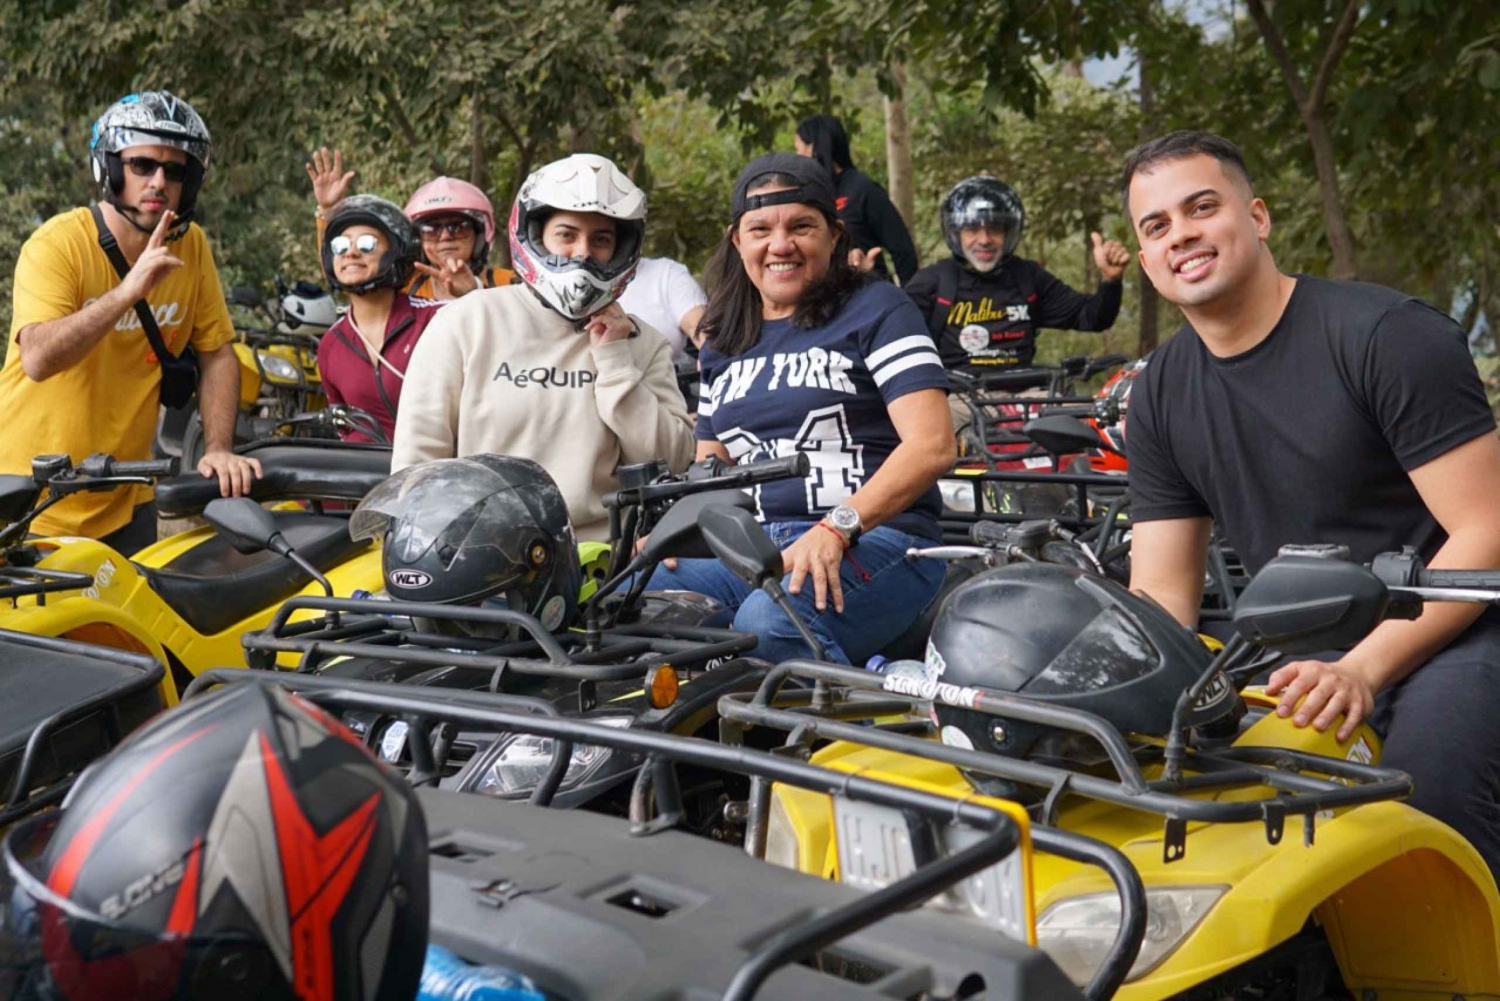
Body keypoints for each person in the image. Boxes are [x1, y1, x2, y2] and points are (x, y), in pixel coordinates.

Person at [1120, 130, 1500, 877]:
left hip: (1462, 628)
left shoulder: (1385, 336)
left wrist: (1361, 669)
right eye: (1156, 225)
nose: (1182, 235)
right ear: (1144, 261)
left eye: (1202, 207)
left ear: (1257, 217)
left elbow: (1487, 527)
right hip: (1304, 641)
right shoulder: (1160, 391)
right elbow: (1163, 592)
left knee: (1424, 805)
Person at [645, 152, 954, 665]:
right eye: (760, 228)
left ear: (834, 237)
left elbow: (934, 445)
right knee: (628, 598)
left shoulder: (879, 309)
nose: (780, 244)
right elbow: (711, 468)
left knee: (767, 625)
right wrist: (674, 530)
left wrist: (836, 527)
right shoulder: (723, 338)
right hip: (757, 547)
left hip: (880, 538)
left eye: (802, 227)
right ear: (737, 241)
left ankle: (886, 705)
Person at [0, 91, 259, 553]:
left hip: (126, 496)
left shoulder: (192, 247)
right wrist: (126, 293)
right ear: (112, 170)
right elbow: (37, 358)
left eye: (175, 170)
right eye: (142, 166)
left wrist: (219, 447)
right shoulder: (58, 244)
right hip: (28, 500)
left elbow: (218, 353)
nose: (159, 181)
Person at [392, 153, 694, 542]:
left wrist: (615, 361)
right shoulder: (467, 322)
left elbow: (671, 459)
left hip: (600, 566)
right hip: (475, 553)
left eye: (601, 240)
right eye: (566, 234)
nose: (582, 252)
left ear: (621, 249)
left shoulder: (642, 342)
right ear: (535, 236)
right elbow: (418, 462)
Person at [903, 176, 1130, 430]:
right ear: (955, 233)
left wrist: (1110, 281)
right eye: (972, 230)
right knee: (930, 432)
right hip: (960, 399)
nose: (985, 239)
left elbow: (1092, 317)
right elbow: (892, 340)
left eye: (995, 229)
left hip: (1030, 395)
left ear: (1009, 232)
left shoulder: (1028, 277)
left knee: (1088, 427)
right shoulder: (932, 282)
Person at [315, 195, 445, 443]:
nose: (351, 252)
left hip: (437, 472)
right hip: (366, 475)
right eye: (340, 245)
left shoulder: (435, 318)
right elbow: (345, 429)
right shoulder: (331, 346)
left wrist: (472, 294)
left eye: (367, 244)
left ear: (395, 253)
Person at [306, 148, 514, 300]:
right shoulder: (403, 287)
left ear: (479, 237)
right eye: (431, 229)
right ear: (418, 240)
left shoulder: (510, 284)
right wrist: (329, 210)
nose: (445, 237)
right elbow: (349, 272)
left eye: (457, 227)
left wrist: (475, 292)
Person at [794, 115, 919, 285]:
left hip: (870, 295)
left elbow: (902, 250)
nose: (797, 158)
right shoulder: (810, 195)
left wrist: (911, 299)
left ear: (815, 148)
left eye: (800, 150)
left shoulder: (863, 189)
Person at [617, 255, 708, 359]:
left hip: (665, 373)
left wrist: (712, 354)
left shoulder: (667, 273)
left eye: (601, 240)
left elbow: (701, 329)